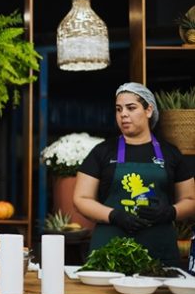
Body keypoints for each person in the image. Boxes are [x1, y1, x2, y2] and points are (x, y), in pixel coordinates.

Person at [73, 82, 195, 267]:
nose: (123, 114)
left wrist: (169, 212)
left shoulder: (170, 153)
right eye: (119, 109)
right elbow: (81, 198)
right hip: (109, 252)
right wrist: (113, 215)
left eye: (131, 108)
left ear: (148, 110)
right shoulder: (102, 152)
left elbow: (191, 200)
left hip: (159, 252)